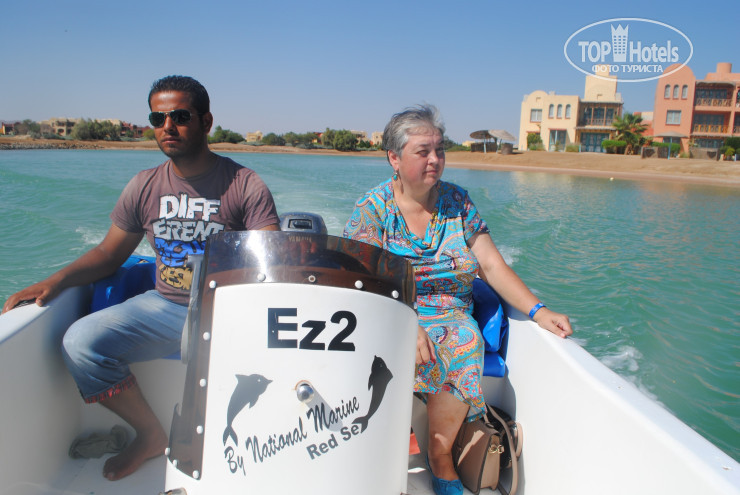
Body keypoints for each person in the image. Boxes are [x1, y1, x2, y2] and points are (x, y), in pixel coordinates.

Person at [1, 75, 280, 481]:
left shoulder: (244, 185)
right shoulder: (144, 185)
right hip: (165, 306)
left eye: (180, 116)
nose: (168, 126)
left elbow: (271, 261)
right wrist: (57, 280)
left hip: (227, 313)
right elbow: (109, 254)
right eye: (157, 118)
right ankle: (150, 434)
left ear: (206, 122)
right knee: (80, 343)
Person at [343, 105, 572, 495]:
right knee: (379, 345)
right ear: (394, 158)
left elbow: (491, 265)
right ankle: (375, 447)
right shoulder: (373, 209)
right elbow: (359, 277)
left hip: (451, 311)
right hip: (392, 308)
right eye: (423, 151)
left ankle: (440, 454)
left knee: (464, 338)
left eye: (440, 150)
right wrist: (406, 320)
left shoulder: (458, 203)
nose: (435, 159)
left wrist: (538, 310)